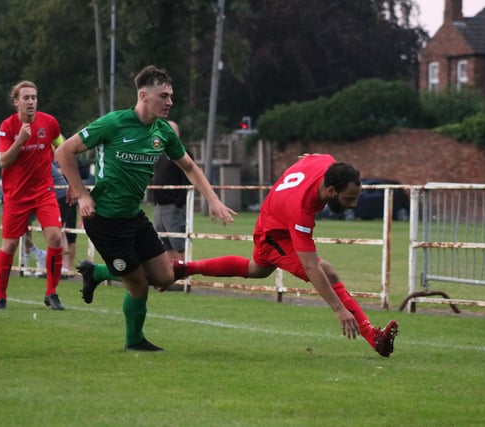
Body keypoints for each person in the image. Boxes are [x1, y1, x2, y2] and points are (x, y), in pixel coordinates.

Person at [78, 153, 400, 358]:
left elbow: (311, 157)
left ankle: (129, 271)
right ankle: (374, 338)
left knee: (255, 269)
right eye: (349, 198)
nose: (354, 204)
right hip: (274, 230)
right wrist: (338, 310)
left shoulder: (327, 164)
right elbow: (311, 267)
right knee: (326, 272)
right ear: (330, 191)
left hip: (277, 219)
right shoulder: (302, 210)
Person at [55, 65, 236, 352]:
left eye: (171, 96)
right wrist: (81, 194)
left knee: (164, 278)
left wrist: (213, 199)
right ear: (143, 95)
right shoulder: (114, 123)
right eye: (164, 96)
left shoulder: (163, 132)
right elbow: (63, 151)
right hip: (105, 220)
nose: (170, 102)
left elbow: (189, 166)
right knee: (138, 283)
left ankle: (98, 272)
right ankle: (134, 340)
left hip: (134, 217)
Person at [0, 80, 65, 310]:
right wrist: (20, 141)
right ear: (16, 103)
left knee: (55, 238)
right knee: (10, 245)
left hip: (44, 191)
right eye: (26, 98)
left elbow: (62, 148)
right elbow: (3, 161)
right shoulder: (8, 126)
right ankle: (0, 296)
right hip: (16, 195)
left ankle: (51, 293)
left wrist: (70, 179)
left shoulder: (49, 122)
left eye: (34, 97)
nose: (31, 101)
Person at [151, 120, 192, 262]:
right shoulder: (159, 153)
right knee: (164, 243)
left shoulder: (184, 154)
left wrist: (179, 204)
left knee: (178, 243)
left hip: (173, 206)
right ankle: (170, 277)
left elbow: (188, 179)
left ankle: (183, 277)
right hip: (158, 205)